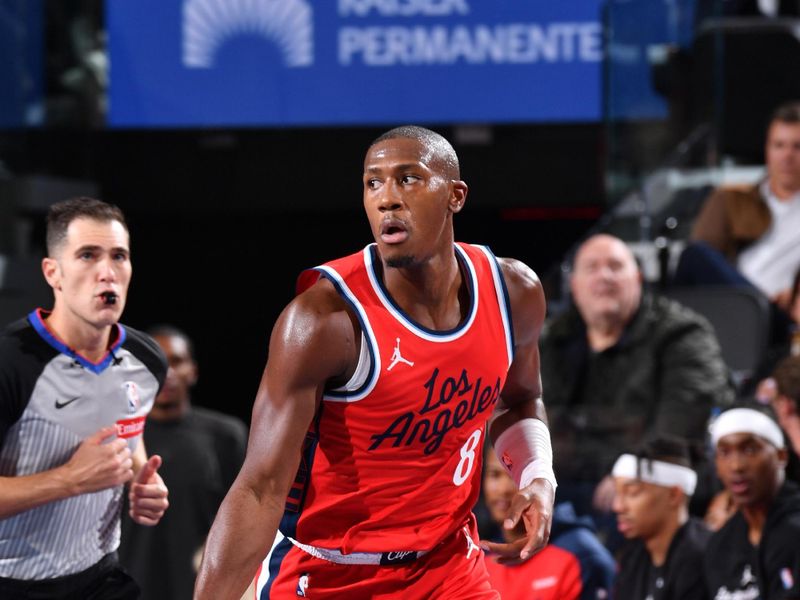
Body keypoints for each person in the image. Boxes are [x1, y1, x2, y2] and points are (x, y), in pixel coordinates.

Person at [195, 126, 557, 600]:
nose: (387, 199)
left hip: (448, 563)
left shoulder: (514, 293)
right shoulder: (323, 321)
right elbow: (261, 488)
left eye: (408, 179)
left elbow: (521, 398)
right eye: (373, 183)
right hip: (331, 573)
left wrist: (538, 478)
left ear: (455, 196)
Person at [0, 197, 169, 599]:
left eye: (119, 256)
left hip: (99, 580)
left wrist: (142, 480)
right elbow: (78, 476)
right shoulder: (10, 363)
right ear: (53, 273)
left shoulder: (147, 361)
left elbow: (129, 427)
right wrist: (68, 480)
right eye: (88, 256)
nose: (106, 272)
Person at [539, 233, 732, 534]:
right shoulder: (551, 338)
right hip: (564, 482)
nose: (604, 276)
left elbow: (682, 421)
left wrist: (631, 472)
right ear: (574, 286)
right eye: (592, 268)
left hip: (643, 482)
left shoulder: (683, 333)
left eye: (616, 266)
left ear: (638, 278)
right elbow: (532, 412)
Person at [119, 325, 248, 600]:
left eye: (176, 361)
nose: (167, 373)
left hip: (199, 589)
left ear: (193, 371)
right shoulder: (118, 437)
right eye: (156, 363)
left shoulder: (225, 436)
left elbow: (244, 518)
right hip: (126, 587)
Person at [677, 101, 800, 312]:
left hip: (780, 312)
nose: (787, 156)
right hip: (737, 301)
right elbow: (705, 259)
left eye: (797, 146)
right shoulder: (731, 199)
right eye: (779, 145)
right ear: (767, 150)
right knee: (694, 255)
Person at [482, 449, 615, 600]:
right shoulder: (479, 561)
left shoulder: (583, 556)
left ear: (545, 481)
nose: (503, 489)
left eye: (516, 476)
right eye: (494, 475)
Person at [705, 407, 800, 599]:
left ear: (781, 456)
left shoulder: (795, 529)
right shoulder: (720, 545)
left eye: (749, 450)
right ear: (716, 466)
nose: (736, 466)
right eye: (725, 452)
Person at [612, 436, 711, 600]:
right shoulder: (633, 556)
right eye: (617, 493)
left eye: (632, 492)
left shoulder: (701, 556)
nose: (618, 506)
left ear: (674, 495)